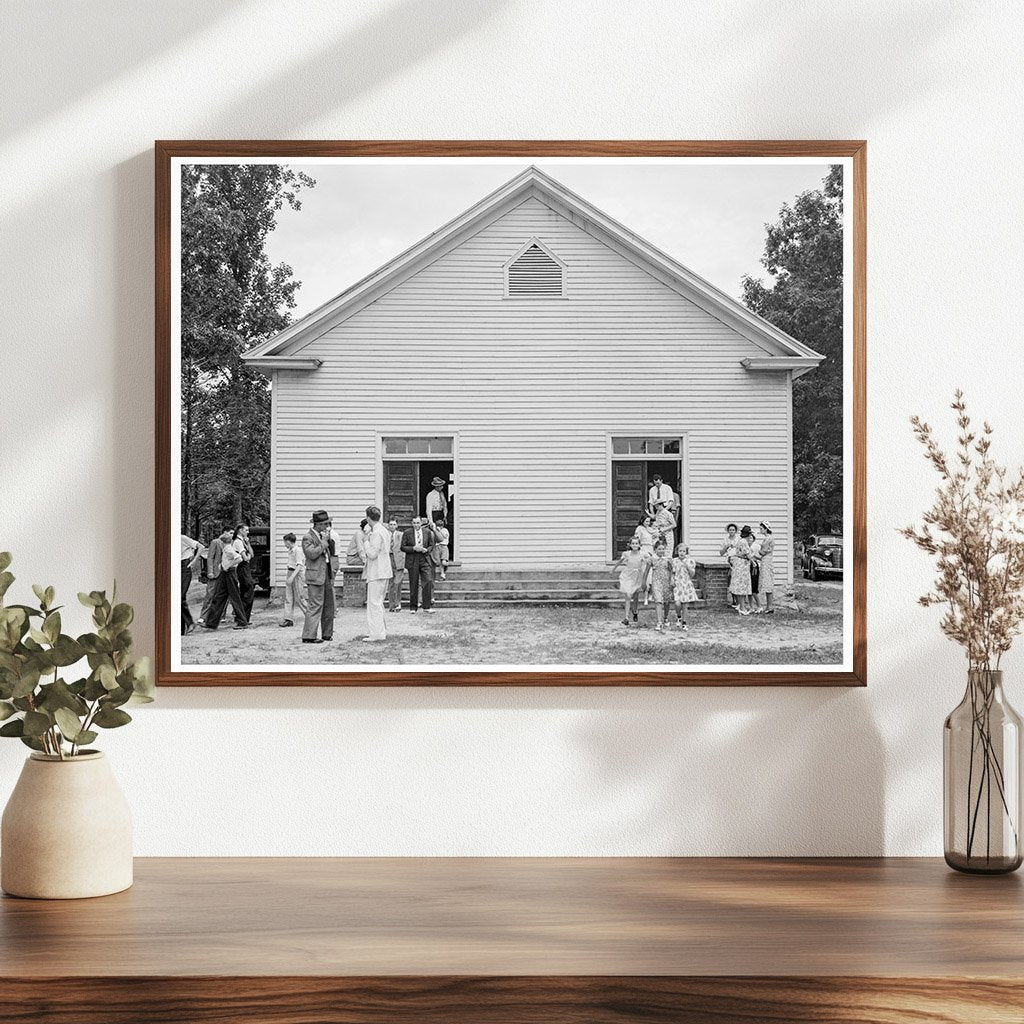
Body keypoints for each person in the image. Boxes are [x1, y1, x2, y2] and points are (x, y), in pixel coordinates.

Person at [201, 532, 249, 630]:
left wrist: (227, 566)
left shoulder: (228, 549)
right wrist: (222, 565)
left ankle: (242, 621)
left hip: (229, 574)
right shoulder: (227, 548)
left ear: (222, 542)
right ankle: (211, 622)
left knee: (234, 597)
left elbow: (239, 558)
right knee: (219, 596)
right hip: (225, 573)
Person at [301, 510, 335, 644]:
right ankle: (309, 635)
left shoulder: (323, 536)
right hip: (315, 575)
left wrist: (328, 541)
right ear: (318, 524)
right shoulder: (308, 537)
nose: (327, 526)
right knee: (315, 605)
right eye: (325, 524)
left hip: (325, 572)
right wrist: (323, 544)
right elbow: (311, 554)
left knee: (329, 605)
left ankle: (327, 633)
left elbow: (331, 552)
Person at [361, 506, 393, 642]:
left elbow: (373, 554)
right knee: (378, 603)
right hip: (384, 571)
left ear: (368, 518)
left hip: (377, 572)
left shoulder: (376, 533)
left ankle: (376, 634)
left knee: (374, 603)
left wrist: (366, 542)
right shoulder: (384, 530)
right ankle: (380, 631)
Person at [401, 515, 436, 613]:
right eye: (414, 523)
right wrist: (413, 548)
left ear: (421, 523)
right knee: (414, 583)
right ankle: (413, 607)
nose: (416, 525)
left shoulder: (427, 532)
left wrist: (427, 550)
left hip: (424, 558)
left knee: (428, 581)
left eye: (418, 523)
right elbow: (402, 547)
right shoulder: (407, 533)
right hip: (413, 558)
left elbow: (431, 545)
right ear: (412, 523)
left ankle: (427, 606)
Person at [613, 536, 649, 627]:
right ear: (630, 545)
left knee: (635, 596)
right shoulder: (627, 554)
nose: (634, 545)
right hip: (628, 575)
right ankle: (626, 617)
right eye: (633, 543)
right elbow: (619, 562)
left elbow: (649, 560)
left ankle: (635, 611)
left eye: (636, 543)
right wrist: (613, 569)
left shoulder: (642, 554)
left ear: (639, 545)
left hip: (638, 576)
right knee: (628, 595)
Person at [279, 532, 306, 627]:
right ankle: (288, 618)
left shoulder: (297, 550)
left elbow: (299, 565)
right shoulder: (290, 551)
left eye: (285, 542)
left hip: (296, 574)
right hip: (290, 571)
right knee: (288, 597)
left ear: (288, 542)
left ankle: (309, 615)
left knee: (299, 597)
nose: (285, 544)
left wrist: (292, 577)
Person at [201, 529, 228, 624]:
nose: (231, 535)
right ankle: (203, 616)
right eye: (230, 532)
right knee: (210, 594)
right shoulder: (215, 542)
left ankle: (221, 615)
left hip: (226, 571)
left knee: (223, 595)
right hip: (216, 572)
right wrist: (210, 571)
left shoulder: (231, 543)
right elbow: (210, 557)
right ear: (225, 532)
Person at [648, 538, 674, 632]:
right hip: (656, 582)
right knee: (658, 601)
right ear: (655, 550)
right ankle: (659, 622)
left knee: (666, 601)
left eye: (663, 549)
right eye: (659, 549)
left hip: (666, 582)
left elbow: (672, 571)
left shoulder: (668, 560)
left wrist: (672, 580)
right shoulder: (652, 559)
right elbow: (647, 571)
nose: (661, 551)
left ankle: (665, 617)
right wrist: (644, 582)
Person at [670, 542, 698, 629]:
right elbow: (672, 572)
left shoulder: (690, 561)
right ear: (677, 551)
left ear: (686, 552)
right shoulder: (674, 561)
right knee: (677, 603)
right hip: (677, 583)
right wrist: (671, 580)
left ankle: (684, 622)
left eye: (683, 551)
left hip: (686, 584)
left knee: (685, 604)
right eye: (680, 551)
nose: (681, 553)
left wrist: (689, 568)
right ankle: (679, 616)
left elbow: (692, 574)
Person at [232, 524, 255, 624]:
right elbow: (245, 557)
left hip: (246, 568)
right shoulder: (238, 542)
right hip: (242, 568)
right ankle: (242, 618)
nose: (248, 532)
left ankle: (244, 617)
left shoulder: (243, 542)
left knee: (247, 592)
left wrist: (248, 543)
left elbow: (252, 554)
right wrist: (248, 556)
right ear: (240, 530)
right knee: (247, 592)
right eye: (246, 530)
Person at [180, 534, 202, 635]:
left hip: (184, 567)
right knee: (179, 599)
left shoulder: (182, 538)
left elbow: (201, 547)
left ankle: (190, 623)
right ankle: (181, 629)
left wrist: (193, 562)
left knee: (180, 597)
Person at [729, 526, 754, 615]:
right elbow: (748, 554)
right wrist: (753, 560)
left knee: (739, 586)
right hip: (742, 565)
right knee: (742, 586)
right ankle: (742, 607)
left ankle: (740, 605)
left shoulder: (740, 541)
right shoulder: (744, 542)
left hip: (738, 564)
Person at [755, 521, 776, 614]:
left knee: (768, 582)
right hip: (765, 560)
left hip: (767, 561)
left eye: (761, 528)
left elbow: (763, 551)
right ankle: (768, 606)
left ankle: (770, 606)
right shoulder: (767, 538)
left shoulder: (768, 539)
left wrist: (759, 551)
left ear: (766, 529)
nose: (760, 530)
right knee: (767, 583)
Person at [719, 523, 740, 607]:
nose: (732, 531)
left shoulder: (739, 539)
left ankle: (738, 600)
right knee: (730, 579)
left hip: (737, 560)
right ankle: (733, 599)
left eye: (733, 530)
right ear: (728, 531)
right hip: (728, 560)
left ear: (735, 531)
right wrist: (726, 547)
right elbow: (721, 553)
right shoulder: (725, 540)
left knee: (736, 580)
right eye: (730, 530)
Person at [388, 517, 406, 612]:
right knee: (390, 583)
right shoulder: (386, 535)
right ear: (388, 525)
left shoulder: (400, 535)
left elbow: (404, 547)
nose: (392, 526)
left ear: (397, 525)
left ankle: (398, 603)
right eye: (391, 524)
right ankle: (391, 605)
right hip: (388, 559)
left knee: (398, 583)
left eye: (394, 524)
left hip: (398, 560)